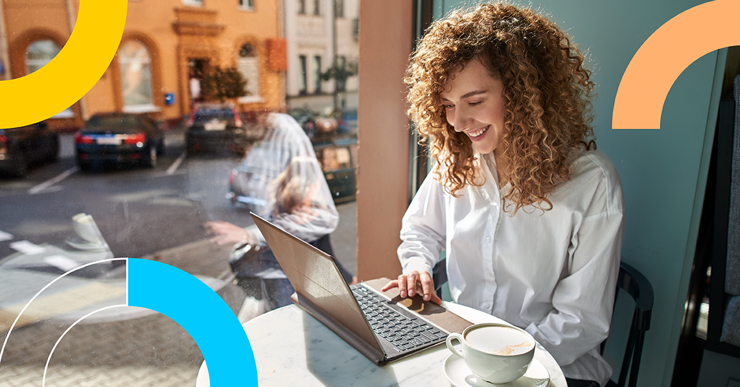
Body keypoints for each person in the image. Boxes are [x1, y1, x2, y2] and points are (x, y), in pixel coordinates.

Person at [380, 4, 624, 387]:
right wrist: (417, 266)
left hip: (555, 365)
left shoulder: (592, 182)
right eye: (447, 106)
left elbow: (582, 321)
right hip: (464, 352)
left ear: (526, 95)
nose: (457, 123)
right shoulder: (457, 160)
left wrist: (500, 362)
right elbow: (420, 230)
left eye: (474, 102)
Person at [206, 112, 356, 311]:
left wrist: (251, 235)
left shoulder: (298, 199)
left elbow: (318, 231)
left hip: (306, 291)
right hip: (301, 291)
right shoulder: (283, 192)